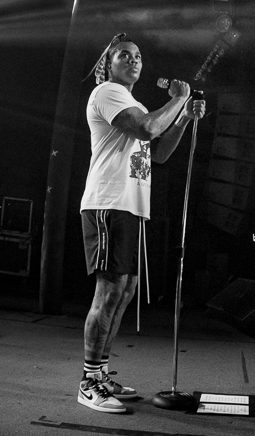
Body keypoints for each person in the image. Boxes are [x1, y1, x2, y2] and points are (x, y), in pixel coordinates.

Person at [78, 34, 206, 413]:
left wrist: (182, 117)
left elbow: (160, 152)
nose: (133, 60)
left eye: (137, 56)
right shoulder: (107, 92)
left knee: (125, 290)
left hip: (131, 206)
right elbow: (149, 130)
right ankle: (87, 382)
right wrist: (179, 98)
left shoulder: (134, 103)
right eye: (124, 55)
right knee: (108, 290)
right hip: (107, 203)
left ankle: (100, 374)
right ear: (109, 64)